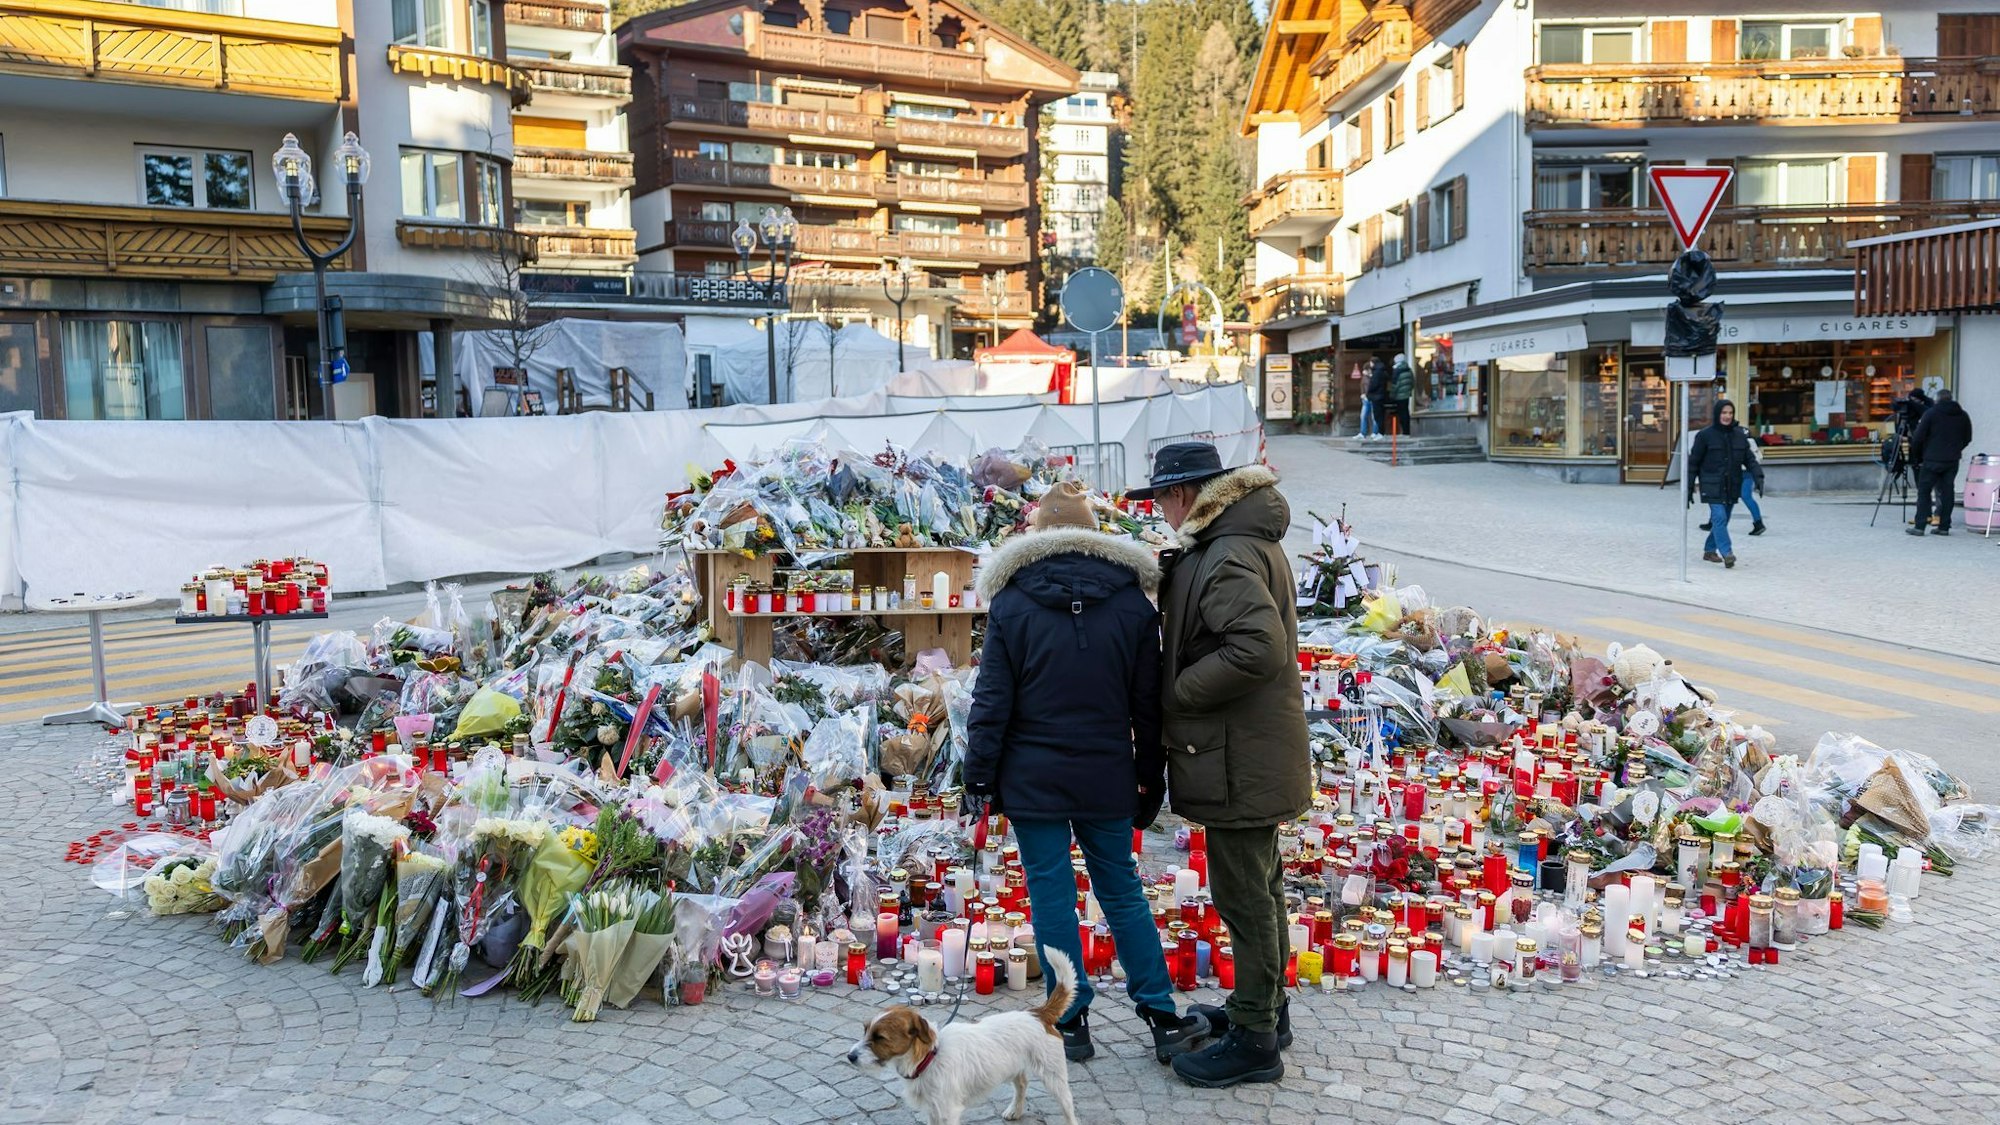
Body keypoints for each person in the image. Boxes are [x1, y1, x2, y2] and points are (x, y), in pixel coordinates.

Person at [962, 481, 1210, 1065]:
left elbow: (991, 700)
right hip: (1106, 773)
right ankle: (1161, 1014)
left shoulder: (1014, 601)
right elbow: (1146, 706)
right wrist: (1151, 779)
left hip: (1032, 776)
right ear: (1092, 536)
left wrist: (978, 779)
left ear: (1038, 538)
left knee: (1051, 893)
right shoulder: (1131, 603)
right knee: (1121, 890)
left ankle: (1068, 1022)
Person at [1127, 443, 1311, 1089]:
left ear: (1188, 495)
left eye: (1160, 498)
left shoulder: (1229, 551)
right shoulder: (1234, 540)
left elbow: (1259, 648)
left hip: (1240, 754)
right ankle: (1262, 1011)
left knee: (1245, 896)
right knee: (1259, 887)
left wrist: (1178, 691)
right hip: (1246, 748)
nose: (1158, 509)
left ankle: (1257, 1039)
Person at [1686, 398, 1763, 568]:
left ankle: (1709, 549)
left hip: (1732, 484)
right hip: (1711, 484)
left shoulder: (1739, 436)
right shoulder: (1705, 435)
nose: (1727, 416)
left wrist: (1758, 476)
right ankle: (1727, 553)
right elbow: (1694, 463)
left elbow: (1749, 459)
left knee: (1724, 519)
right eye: (1724, 413)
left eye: (1730, 413)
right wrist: (1689, 487)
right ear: (1717, 414)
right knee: (1719, 517)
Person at [1908, 388, 1973, 536]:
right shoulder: (1962, 415)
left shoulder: (1931, 413)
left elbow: (1918, 437)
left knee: (1924, 492)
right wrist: (1956, 449)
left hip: (1931, 459)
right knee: (1947, 492)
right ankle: (1944, 526)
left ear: (1937, 400)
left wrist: (1918, 456)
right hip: (1952, 460)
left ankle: (1920, 525)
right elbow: (1968, 438)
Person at [1388, 353, 1415, 437]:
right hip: (1406, 395)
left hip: (1399, 396)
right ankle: (1407, 431)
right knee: (1406, 412)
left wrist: (1391, 396)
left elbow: (1395, 385)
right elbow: (1412, 382)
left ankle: (1404, 432)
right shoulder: (1408, 369)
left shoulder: (1397, 371)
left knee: (1401, 413)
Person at [1363, 357, 1389, 440]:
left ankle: (1380, 433)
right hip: (1381, 395)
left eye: (1370, 363)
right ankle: (1380, 432)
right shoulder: (1382, 370)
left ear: (1373, 363)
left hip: (1376, 396)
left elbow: (1374, 384)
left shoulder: (1377, 372)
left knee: (1378, 415)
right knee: (1379, 415)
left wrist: (1368, 393)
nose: (1370, 365)